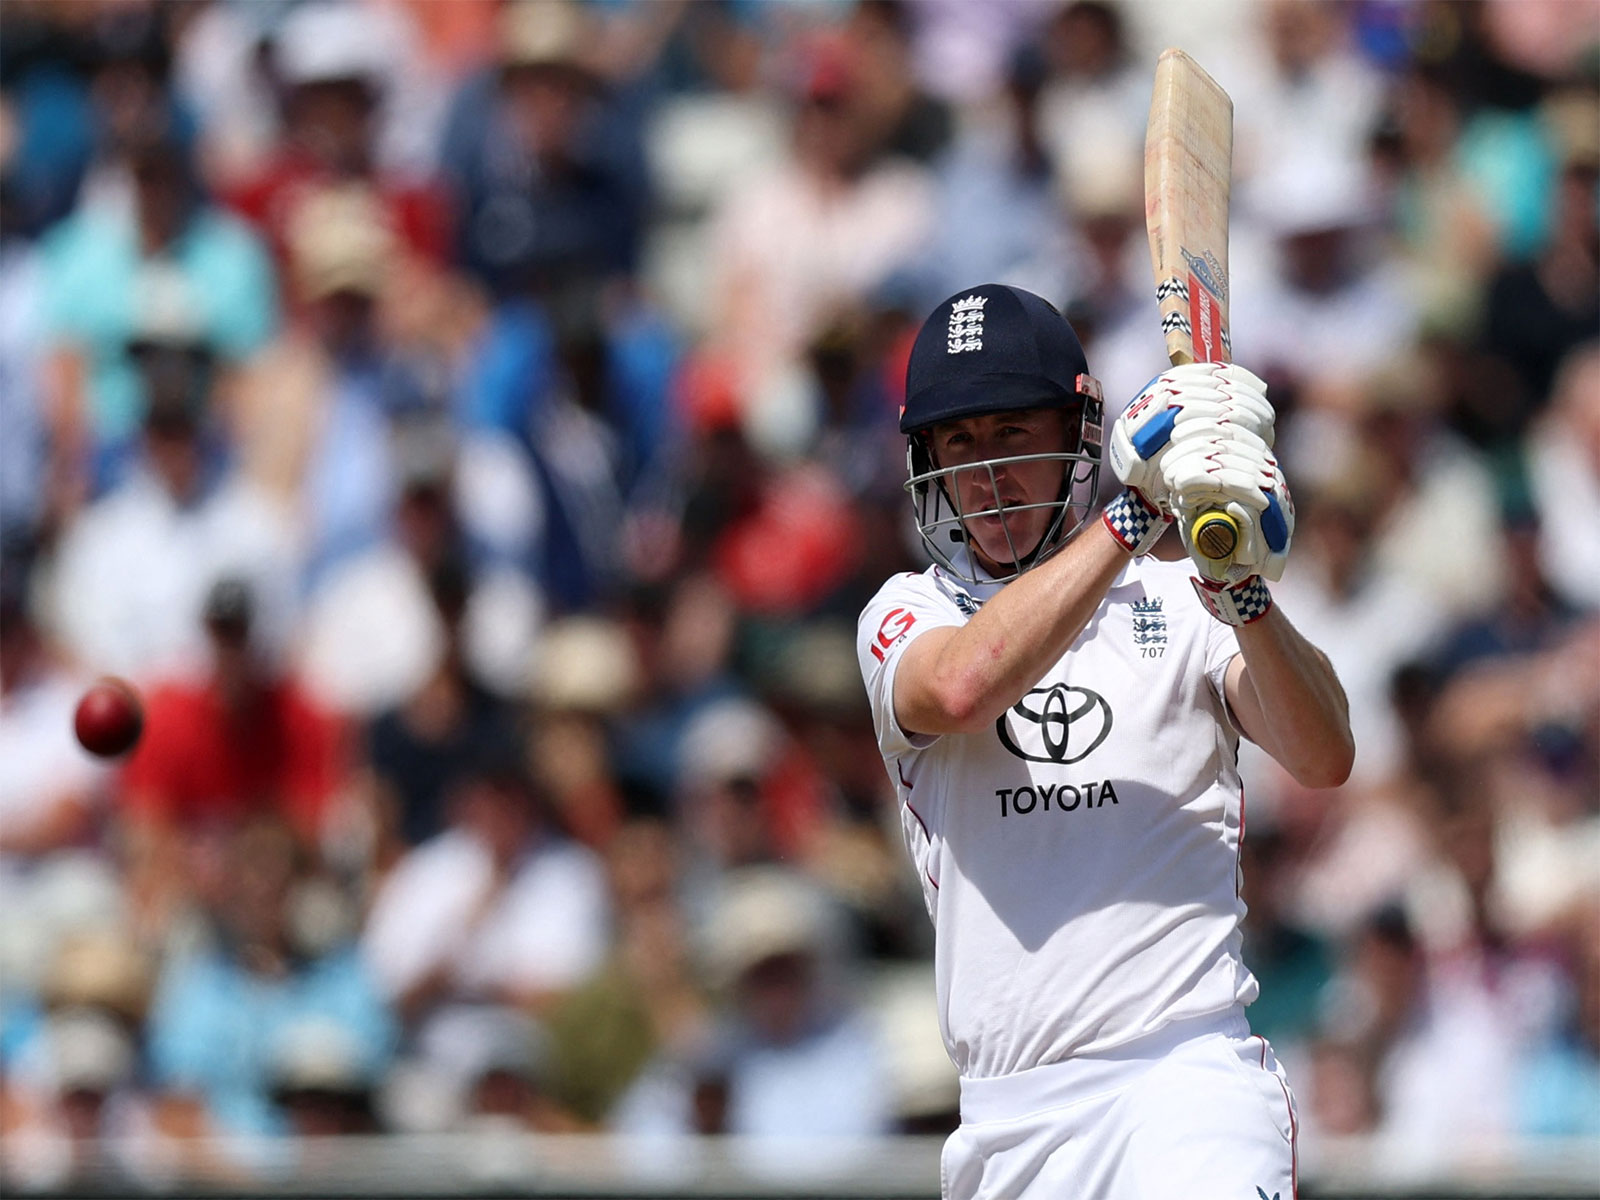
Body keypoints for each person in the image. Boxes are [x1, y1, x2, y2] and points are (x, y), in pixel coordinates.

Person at [855, 283, 1353, 1198]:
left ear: (1077, 436)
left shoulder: (1176, 597)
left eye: (1012, 433)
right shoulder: (905, 613)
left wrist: (1244, 594)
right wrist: (1133, 519)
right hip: (1007, 1116)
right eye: (958, 443)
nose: (986, 473)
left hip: (1183, 1080)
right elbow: (965, 685)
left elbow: (1324, 756)